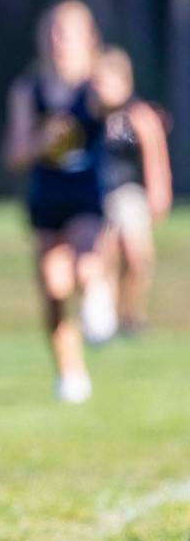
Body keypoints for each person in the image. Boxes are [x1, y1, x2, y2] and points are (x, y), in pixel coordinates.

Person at [4, 0, 116, 404]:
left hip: (87, 192)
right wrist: (41, 140)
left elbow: (118, 100)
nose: (58, 40)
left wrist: (110, 89)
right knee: (53, 287)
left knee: (85, 263)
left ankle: (99, 292)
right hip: (45, 197)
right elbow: (15, 154)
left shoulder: (96, 84)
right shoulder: (28, 88)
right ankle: (70, 373)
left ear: (88, 38)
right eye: (52, 31)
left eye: (67, 32)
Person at [91, 47, 172, 334]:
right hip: (97, 192)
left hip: (129, 191)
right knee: (104, 254)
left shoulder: (138, 115)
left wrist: (159, 192)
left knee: (137, 257)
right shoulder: (90, 116)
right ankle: (108, 317)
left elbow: (155, 154)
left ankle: (131, 313)